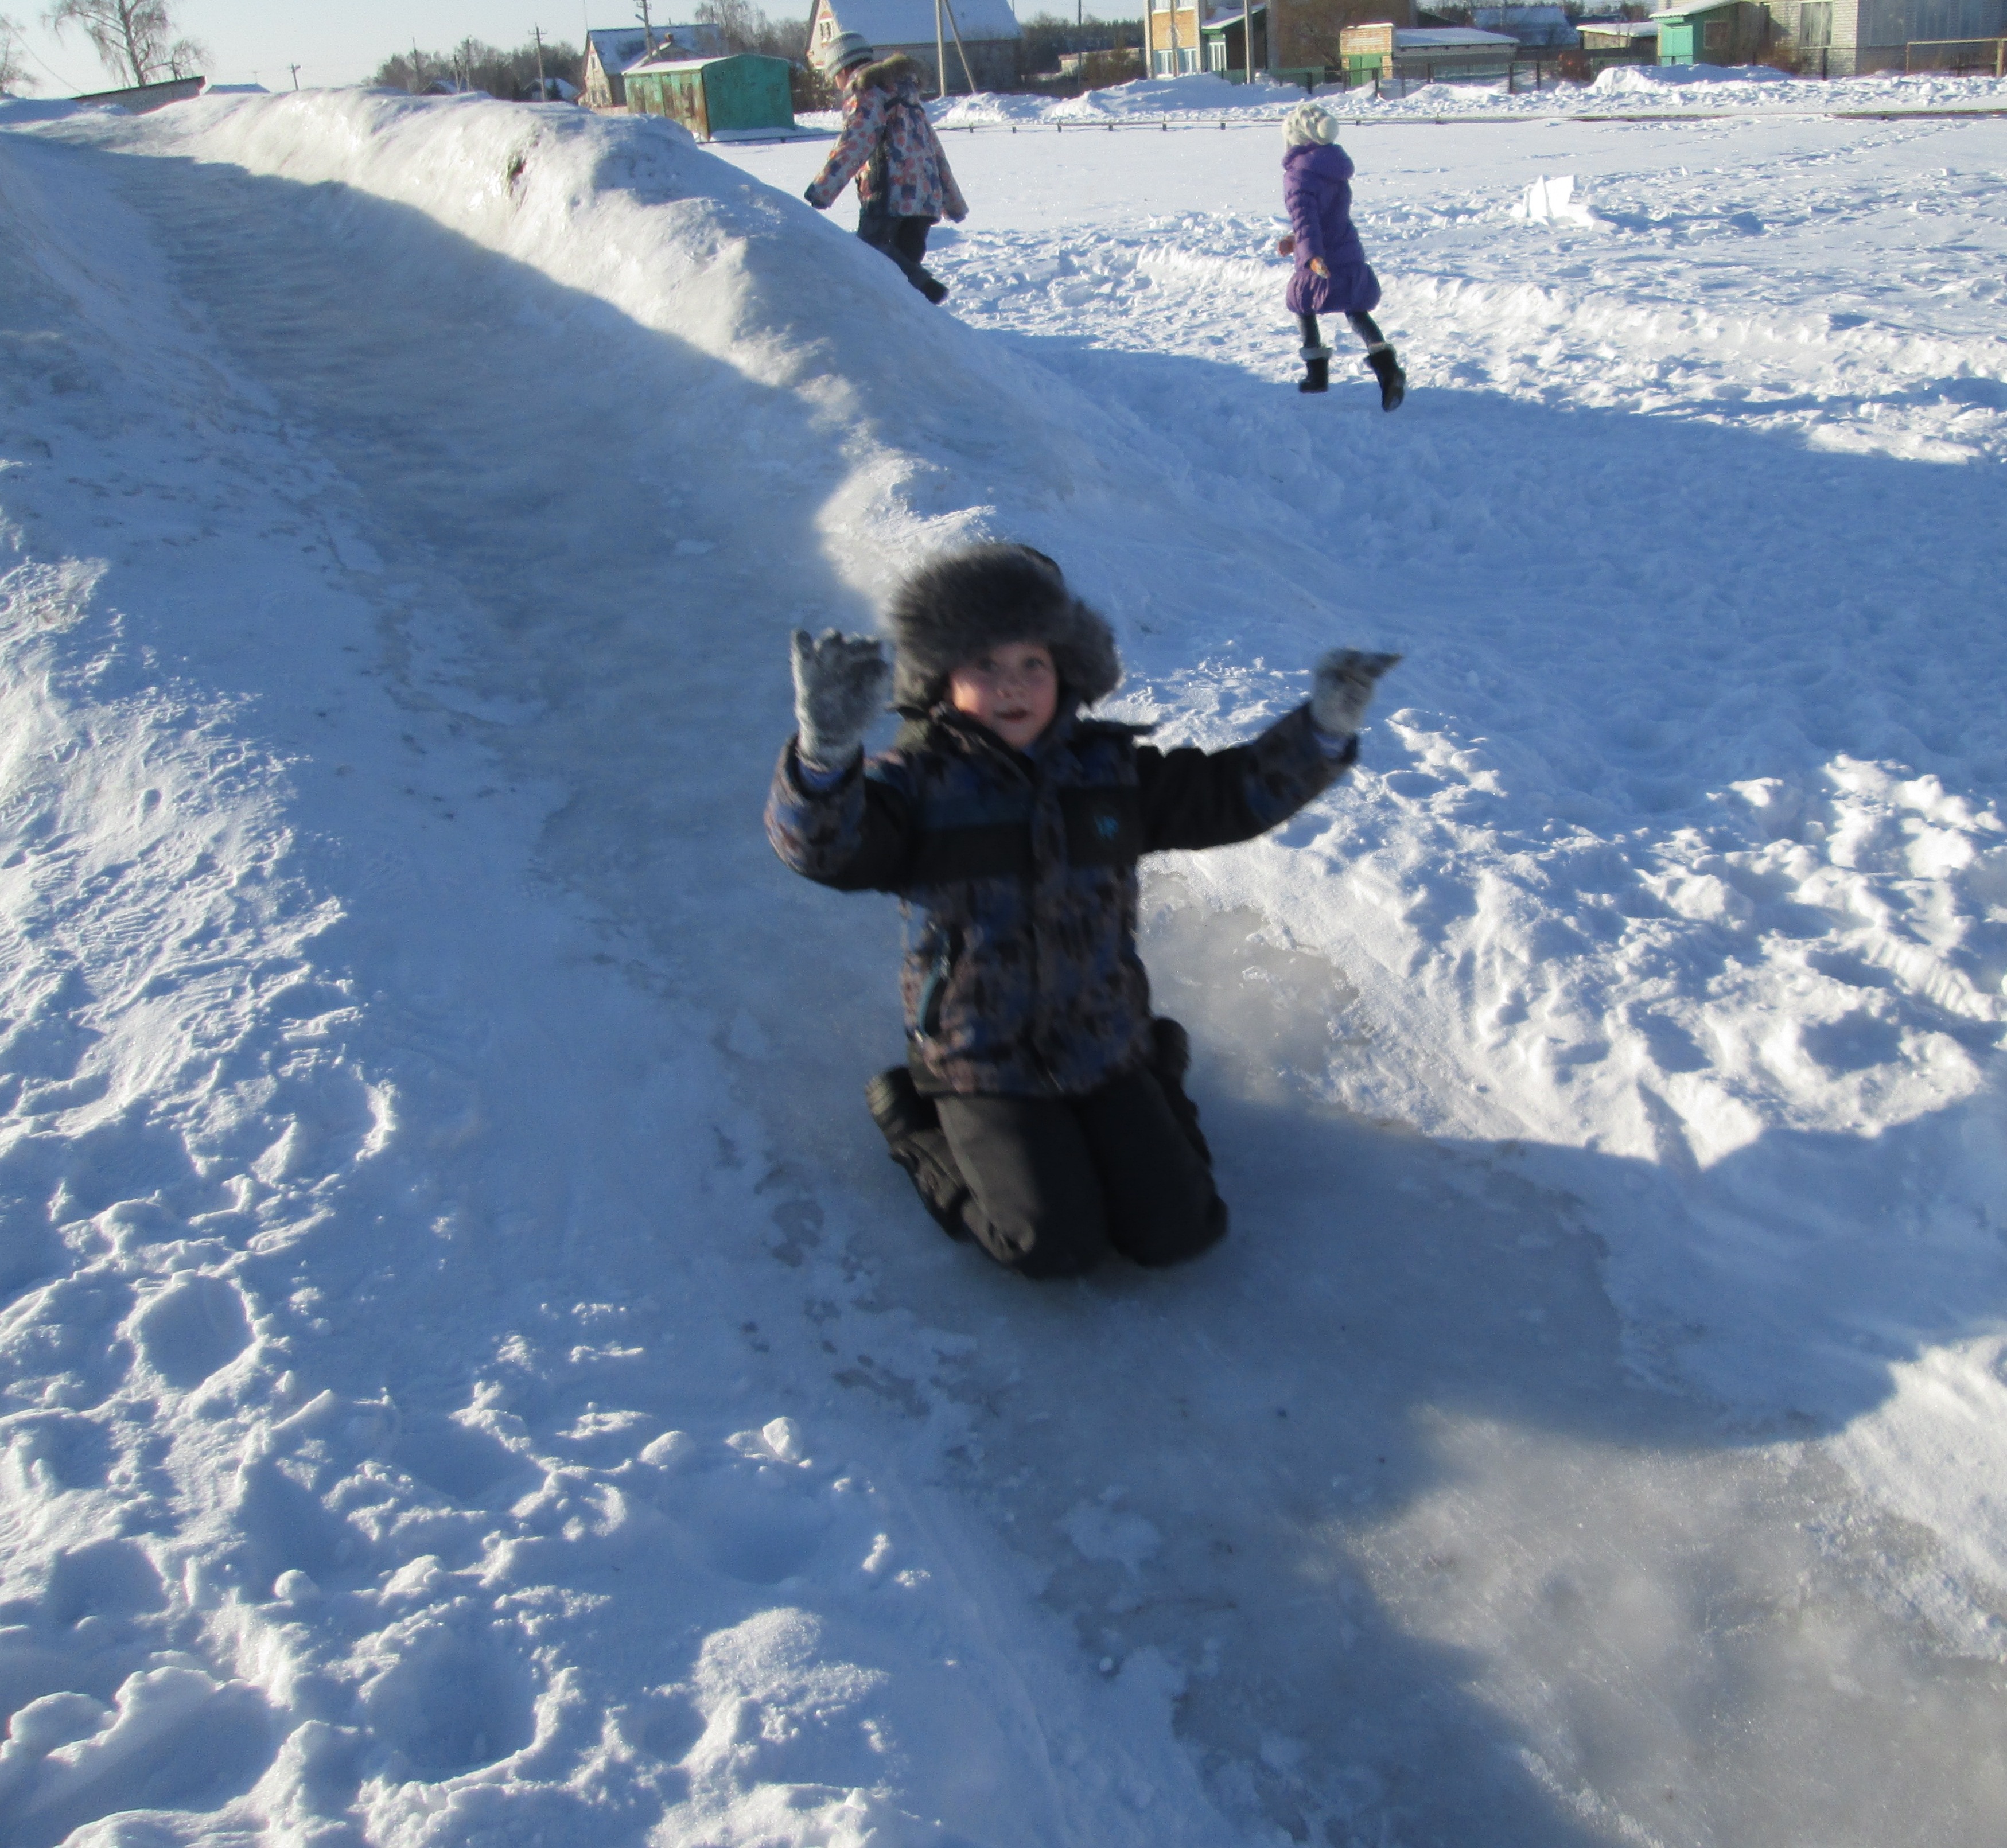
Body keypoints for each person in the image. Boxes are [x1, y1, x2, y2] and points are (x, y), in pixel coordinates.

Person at [764, 543, 1398, 1280]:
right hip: (981, 1056)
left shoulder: (1110, 772)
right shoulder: (915, 786)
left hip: (1101, 1039)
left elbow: (1229, 794)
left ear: (1065, 667)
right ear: (941, 675)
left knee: (1181, 1230)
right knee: (1048, 1243)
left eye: (1032, 661)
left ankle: (1155, 1069)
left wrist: (1322, 732)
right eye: (985, 663)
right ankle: (915, 1121)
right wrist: (824, 758)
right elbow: (824, 849)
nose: (1013, 684)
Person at [803, 31, 968, 305]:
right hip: (925, 200)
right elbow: (935, 150)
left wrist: (822, 190)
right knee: (899, 288)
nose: (836, 84)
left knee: (870, 252)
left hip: (890, 195)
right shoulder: (907, 96)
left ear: (843, 69)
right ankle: (912, 320)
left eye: (833, 76)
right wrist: (953, 203)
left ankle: (925, 286)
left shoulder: (866, 91)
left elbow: (856, 142)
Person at [1276, 100, 1406, 408]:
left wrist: (1310, 254)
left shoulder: (1299, 174)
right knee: (1356, 309)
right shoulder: (1332, 167)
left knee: (1302, 303)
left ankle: (1316, 374)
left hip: (1320, 254)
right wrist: (1295, 240)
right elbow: (1326, 214)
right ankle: (1388, 368)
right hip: (1345, 246)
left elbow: (1307, 219)